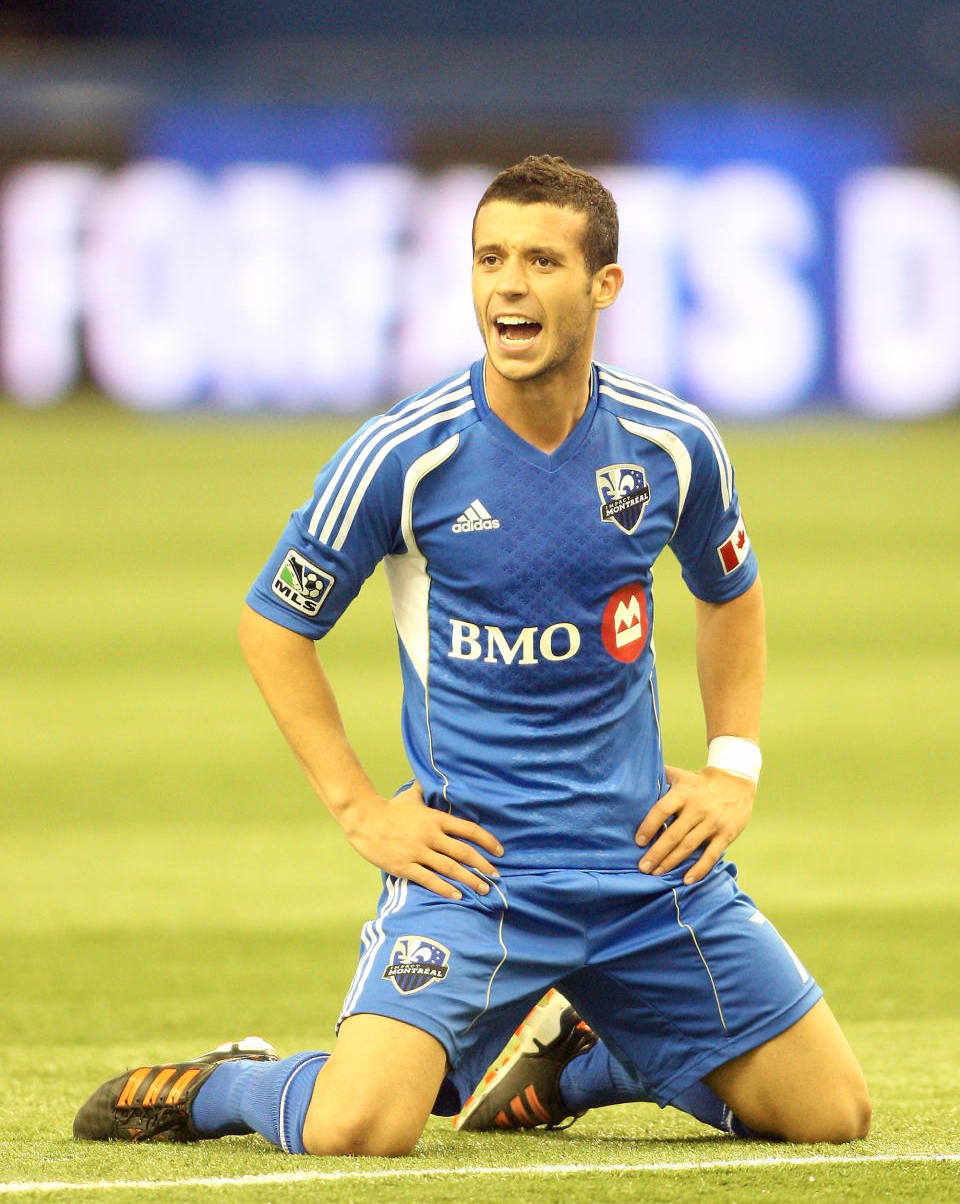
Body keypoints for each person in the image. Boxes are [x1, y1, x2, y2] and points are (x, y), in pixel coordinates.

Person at [74, 155, 870, 1154]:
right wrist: (362, 810)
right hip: (476, 873)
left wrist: (732, 769)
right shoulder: (406, 455)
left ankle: (577, 1064)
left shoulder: (673, 445)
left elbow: (731, 593)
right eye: (489, 257)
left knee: (831, 1116)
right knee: (358, 1129)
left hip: (644, 865)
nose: (507, 283)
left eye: (541, 260)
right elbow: (273, 624)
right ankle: (225, 1087)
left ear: (604, 286)